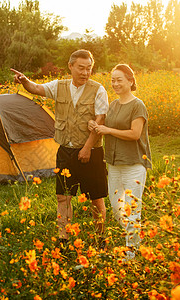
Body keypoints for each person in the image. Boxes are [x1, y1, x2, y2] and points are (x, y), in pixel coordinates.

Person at [11, 49, 109, 246]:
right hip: (66, 150)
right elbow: (37, 88)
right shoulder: (59, 86)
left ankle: (101, 238)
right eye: (81, 68)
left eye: (88, 68)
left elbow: (101, 120)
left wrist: (87, 148)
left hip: (92, 152)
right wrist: (24, 81)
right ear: (70, 66)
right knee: (62, 197)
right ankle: (63, 238)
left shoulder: (98, 89)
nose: (85, 72)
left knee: (96, 199)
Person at [88, 64, 152, 260]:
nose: (115, 84)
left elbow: (134, 134)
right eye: (113, 80)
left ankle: (131, 250)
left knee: (133, 209)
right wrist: (95, 124)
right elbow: (104, 125)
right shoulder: (113, 106)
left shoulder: (137, 105)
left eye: (119, 80)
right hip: (114, 164)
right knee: (117, 208)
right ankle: (135, 233)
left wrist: (108, 131)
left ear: (130, 81)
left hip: (134, 164)